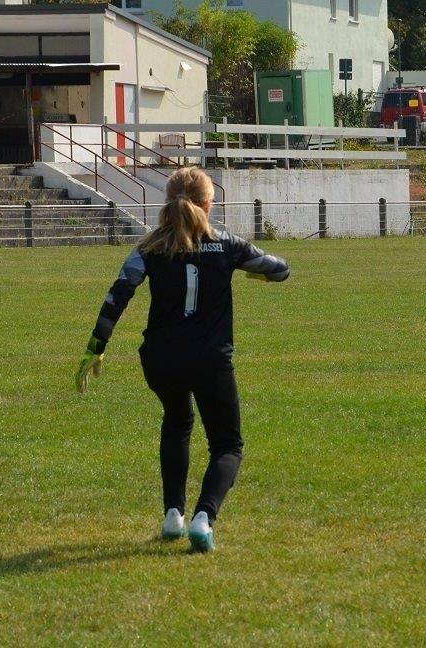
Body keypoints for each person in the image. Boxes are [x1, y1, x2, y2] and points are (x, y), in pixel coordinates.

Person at [75, 167, 290, 552]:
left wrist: (97, 345)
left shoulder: (148, 248)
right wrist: (250, 275)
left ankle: (173, 514)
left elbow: (118, 294)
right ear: (209, 203)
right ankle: (203, 519)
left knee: (177, 421)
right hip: (210, 359)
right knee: (227, 444)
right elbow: (279, 270)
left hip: (160, 358)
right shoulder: (225, 243)